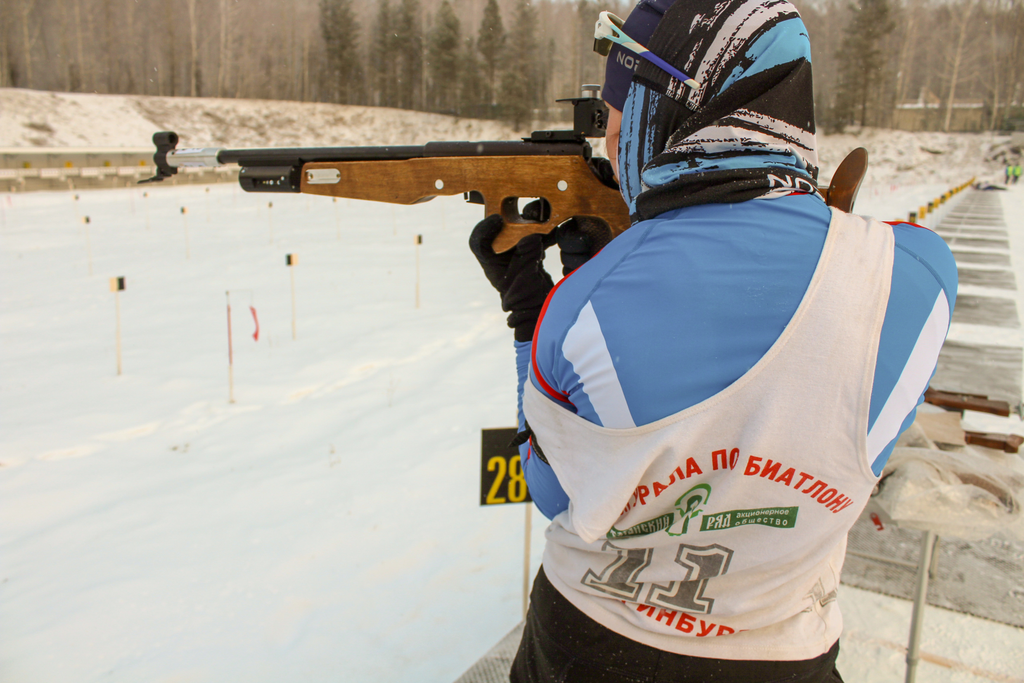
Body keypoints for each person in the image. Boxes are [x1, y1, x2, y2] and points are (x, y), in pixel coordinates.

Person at [469, 0, 958, 680]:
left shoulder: (582, 307)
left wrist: (531, 307)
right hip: (784, 654)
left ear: (667, 106)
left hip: (589, 648)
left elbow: (553, 490)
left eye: (616, 116)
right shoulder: (918, 275)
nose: (610, 146)